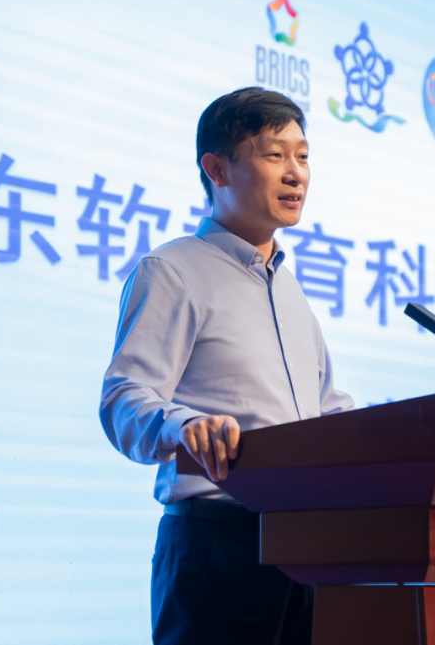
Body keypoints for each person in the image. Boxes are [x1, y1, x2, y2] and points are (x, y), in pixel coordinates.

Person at [99, 87, 354, 644]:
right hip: (220, 547)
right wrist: (184, 426)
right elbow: (123, 399)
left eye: (303, 156)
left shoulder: (291, 292)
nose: (296, 173)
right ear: (216, 169)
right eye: (275, 155)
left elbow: (328, 412)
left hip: (306, 551)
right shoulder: (172, 270)